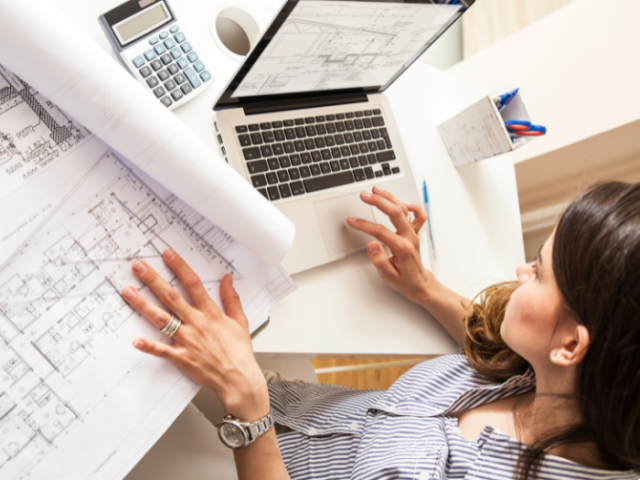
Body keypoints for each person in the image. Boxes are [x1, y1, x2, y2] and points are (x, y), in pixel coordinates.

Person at [120, 182, 640, 480]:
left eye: (541, 271)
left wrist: (249, 412)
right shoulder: (581, 392)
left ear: (572, 345)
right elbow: (503, 349)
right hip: (295, 408)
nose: (523, 268)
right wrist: (424, 287)